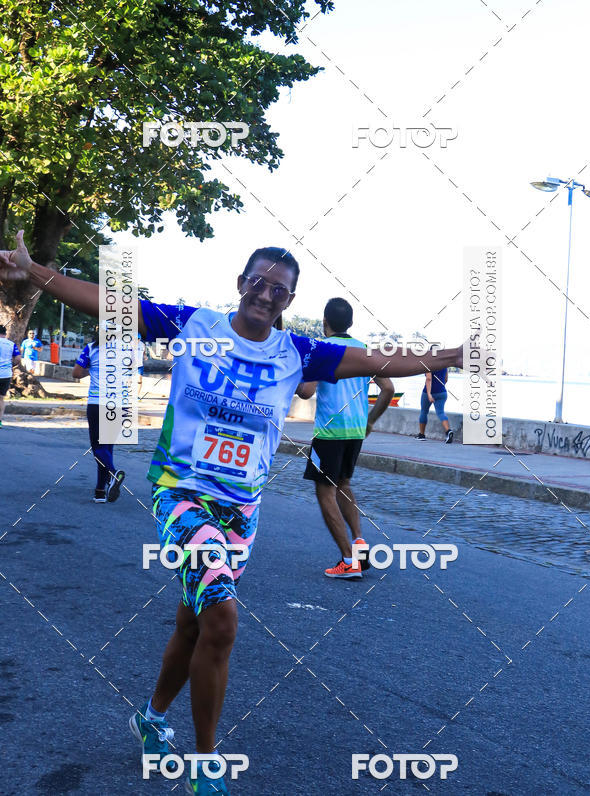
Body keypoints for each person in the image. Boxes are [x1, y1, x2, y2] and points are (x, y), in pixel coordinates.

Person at [0, 232, 463, 796]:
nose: (265, 295)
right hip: (180, 493)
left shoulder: (300, 353)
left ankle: (150, 715)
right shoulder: (195, 327)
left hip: (242, 508)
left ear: (290, 302)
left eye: (280, 290)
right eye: (258, 282)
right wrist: (35, 273)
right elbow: (114, 303)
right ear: (239, 283)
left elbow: (384, 360)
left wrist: (456, 356)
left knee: (194, 621)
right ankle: (203, 763)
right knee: (221, 619)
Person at [297, 298, 394, 579]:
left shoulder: (323, 350)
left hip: (330, 431)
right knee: (344, 484)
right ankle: (359, 543)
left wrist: (294, 377)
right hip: (355, 430)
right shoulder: (363, 350)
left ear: (324, 322)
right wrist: (371, 421)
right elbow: (388, 388)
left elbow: (306, 392)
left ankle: (348, 560)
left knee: (324, 490)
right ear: (350, 324)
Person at [73, 333, 126, 503]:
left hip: (98, 403)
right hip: (118, 403)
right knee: (107, 448)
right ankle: (100, 492)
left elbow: (77, 372)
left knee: (98, 448)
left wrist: (93, 369)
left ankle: (113, 473)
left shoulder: (92, 349)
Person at [417, 368, 453, 443]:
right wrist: (439, 388)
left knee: (424, 412)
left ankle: (422, 435)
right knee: (441, 413)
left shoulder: (429, 363)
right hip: (442, 392)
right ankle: (448, 431)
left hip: (428, 393)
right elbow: (445, 379)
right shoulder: (444, 364)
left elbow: (428, 378)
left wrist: (429, 394)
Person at [0, 325, 20, 427]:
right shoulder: (11, 344)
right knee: (1, 399)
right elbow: (18, 359)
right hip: (5, 374)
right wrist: (10, 365)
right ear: (5, 333)